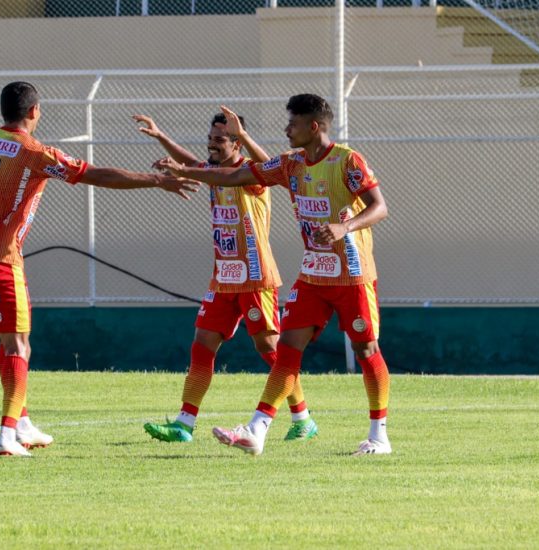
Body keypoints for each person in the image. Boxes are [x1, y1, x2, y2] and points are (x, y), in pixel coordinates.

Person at [0, 81, 197, 457]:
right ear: (34, 112)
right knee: (18, 344)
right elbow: (96, 175)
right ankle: (6, 437)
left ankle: (23, 423)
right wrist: (157, 180)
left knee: (6, 339)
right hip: (0, 258)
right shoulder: (34, 151)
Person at [155, 93, 391, 456]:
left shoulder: (348, 160)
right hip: (312, 274)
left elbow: (379, 207)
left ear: (313, 127)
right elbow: (235, 174)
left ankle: (378, 435)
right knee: (285, 349)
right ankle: (257, 429)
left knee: (365, 348)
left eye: (292, 124)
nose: (286, 130)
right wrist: (184, 170)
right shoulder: (291, 163)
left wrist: (346, 228)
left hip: (353, 274)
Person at [136, 108, 317, 443]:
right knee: (202, 343)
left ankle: (302, 417)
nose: (212, 146)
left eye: (220, 140)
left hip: (255, 276)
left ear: (237, 143)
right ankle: (184, 423)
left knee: (271, 349)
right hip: (223, 276)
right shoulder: (213, 171)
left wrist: (246, 138)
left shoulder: (250, 172)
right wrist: (161, 136)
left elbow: (272, 168)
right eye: (210, 140)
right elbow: (191, 162)